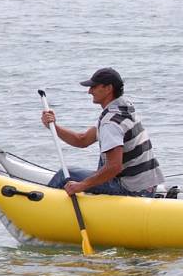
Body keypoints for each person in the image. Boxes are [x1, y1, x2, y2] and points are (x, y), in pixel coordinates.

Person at [41, 67, 165, 197]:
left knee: (64, 174)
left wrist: (81, 185)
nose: (89, 91)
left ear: (108, 88)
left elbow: (114, 167)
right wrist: (54, 126)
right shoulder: (124, 107)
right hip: (147, 186)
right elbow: (82, 140)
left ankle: (43, 207)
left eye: (94, 87)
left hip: (133, 190)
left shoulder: (111, 123)